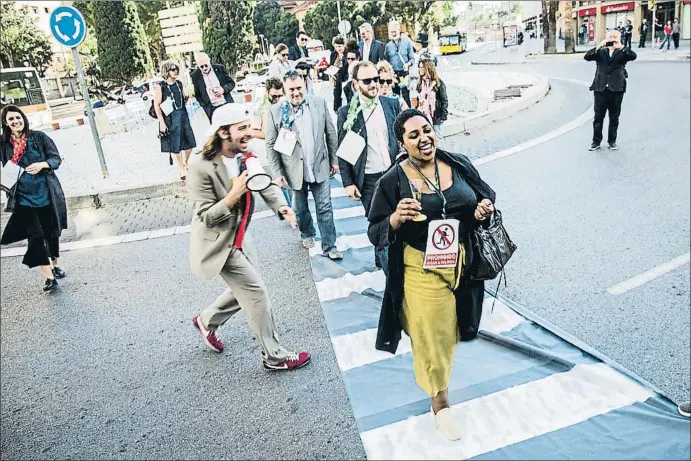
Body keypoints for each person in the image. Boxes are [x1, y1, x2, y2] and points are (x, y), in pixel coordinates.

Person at [367, 108, 496, 440]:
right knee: (436, 333)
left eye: (427, 130)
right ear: (402, 143)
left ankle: (423, 337)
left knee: (454, 327)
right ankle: (441, 404)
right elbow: (375, 229)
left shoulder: (457, 164)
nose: (424, 138)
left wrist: (481, 211)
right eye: (414, 135)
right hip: (420, 267)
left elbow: (484, 198)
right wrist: (395, 218)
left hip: (461, 262)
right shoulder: (392, 181)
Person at [187, 103, 310, 371]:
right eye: (242, 129)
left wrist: (282, 207)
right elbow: (206, 217)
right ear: (222, 133)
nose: (249, 134)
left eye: (249, 128)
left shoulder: (245, 152)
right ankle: (274, 356)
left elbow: (262, 181)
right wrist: (233, 195)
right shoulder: (199, 165)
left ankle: (206, 320)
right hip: (219, 241)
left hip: (242, 232)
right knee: (256, 295)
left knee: (245, 288)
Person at [265, 71, 342, 259]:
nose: (296, 93)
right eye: (291, 89)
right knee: (300, 208)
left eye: (299, 88)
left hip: (319, 164)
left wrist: (334, 160)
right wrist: (277, 173)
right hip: (293, 170)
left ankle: (329, 246)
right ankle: (307, 233)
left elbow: (330, 134)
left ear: (305, 86)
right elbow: (270, 145)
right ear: (285, 90)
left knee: (324, 207)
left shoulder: (319, 103)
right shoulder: (275, 112)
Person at [336, 62, 401, 272]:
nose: (374, 84)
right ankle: (388, 270)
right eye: (367, 81)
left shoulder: (391, 104)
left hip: (394, 173)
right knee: (379, 224)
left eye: (376, 79)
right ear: (356, 84)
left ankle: (387, 258)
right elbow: (344, 151)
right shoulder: (348, 113)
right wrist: (348, 183)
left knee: (399, 221)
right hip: (369, 180)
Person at [0, 105, 68, 293]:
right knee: (35, 237)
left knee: (51, 233)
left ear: (23, 118)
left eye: (18, 117)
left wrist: (42, 164)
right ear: (6, 123)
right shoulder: (3, 143)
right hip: (22, 198)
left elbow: (56, 159)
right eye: (11, 119)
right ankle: (48, 277)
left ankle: (54, 264)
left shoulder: (39, 137)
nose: (16, 121)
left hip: (46, 193)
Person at [584, 29, 636, 151]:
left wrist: (621, 46)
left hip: (617, 88)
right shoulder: (601, 52)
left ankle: (612, 141)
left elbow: (633, 56)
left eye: (615, 36)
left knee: (614, 117)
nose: (612, 39)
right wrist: (600, 45)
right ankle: (596, 141)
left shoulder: (623, 52)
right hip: (600, 88)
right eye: (610, 37)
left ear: (619, 38)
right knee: (598, 117)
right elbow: (587, 57)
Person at [154, 60, 197, 180]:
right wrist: (162, 123)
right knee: (175, 145)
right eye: (173, 69)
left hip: (183, 115)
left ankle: (186, 162)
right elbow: (157, 105)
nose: (176, 71)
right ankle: (181, 169)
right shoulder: (160, 86)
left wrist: (185, 98)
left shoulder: (179, 83)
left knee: (190, 143)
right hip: (170, 119)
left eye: (176, 69)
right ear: (166, 71)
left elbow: (181, 99)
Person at [190, 52, 235, 121]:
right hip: (211, 109)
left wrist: (223, 90)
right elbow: (197, 94)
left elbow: (232, 83)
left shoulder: (220, 68)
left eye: (206, 65)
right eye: (201, 66)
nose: (204, 68)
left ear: (209, 61)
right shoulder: (195, 75)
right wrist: (205, 105)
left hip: (226, 104)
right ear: (198, 65)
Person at [416, 56, 449, 147]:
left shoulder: (438, 83)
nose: (419, 69)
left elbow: (444, 100)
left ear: (428, 68)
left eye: (422, 67)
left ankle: (443, 155)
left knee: (437, 135)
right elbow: (419, 99)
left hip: (436, 114)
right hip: (424, 114)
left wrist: (443, 115)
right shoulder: (420, 83)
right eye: (419, 67)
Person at [385, 20, 416, 108]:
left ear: (399, 30)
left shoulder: (407, 43)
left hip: (404, 74)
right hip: (394, 74)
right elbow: (386, 61)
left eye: (395, 31)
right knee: (395, 97)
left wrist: (408, 64)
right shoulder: (388, 46)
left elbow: (412, 59)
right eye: (391, 32)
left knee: (406, 96)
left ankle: (409, 113)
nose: (393, 34)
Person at [334, 40, 360, 112]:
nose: (350, 61)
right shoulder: (342, 71)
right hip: (345, 102)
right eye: (348, 59)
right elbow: (337, 90)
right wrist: (336, 107)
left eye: (352, 59)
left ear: (357, 58)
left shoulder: (362, 70)